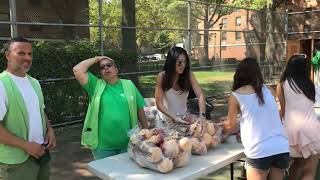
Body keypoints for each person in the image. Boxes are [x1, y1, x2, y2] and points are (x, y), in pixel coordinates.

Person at [222, 57, 289, 180]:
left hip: (259, 151)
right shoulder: (269, 90)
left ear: (238, 75)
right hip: (281, 147)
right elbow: (264, 115)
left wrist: (221, 132)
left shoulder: (235, 95)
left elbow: (230, 126)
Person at [0, 37, 56, 180]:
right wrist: (27, 146)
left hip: (41, 154)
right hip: (16, 163)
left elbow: (40, 110)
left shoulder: (34, 82)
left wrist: (49, 129)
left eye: (30, 54)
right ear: (7, 55)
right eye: (21, 53)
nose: (27, 58)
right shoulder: (1, 84)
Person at [73, 56, 148, 160]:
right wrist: (98, 58)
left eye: (109, 65)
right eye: (102, 67)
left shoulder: (129, 85)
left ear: (116, 69)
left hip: (128, 143)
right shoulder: (95, 85)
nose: (106, 68)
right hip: (103, 147)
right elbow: (77, 69)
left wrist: (147, 131)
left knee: (125, 175)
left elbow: (139, 108)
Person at [277, 54, 320, 180]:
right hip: (312, 132)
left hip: (291, 134)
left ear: (289, 68)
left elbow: (282, 111)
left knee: (297, 164)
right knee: (309, 172)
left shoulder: (282, 85)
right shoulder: (311, 86)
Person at [155, 46, 206, 133]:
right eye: (180, 62)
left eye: (185, 62)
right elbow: (159, 104)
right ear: (172, 62)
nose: (183, 65)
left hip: (183, 118)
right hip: (165, 121)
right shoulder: (162, 76)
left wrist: (202, 117)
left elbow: (200, 95)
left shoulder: (188, 74)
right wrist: (174, 117)